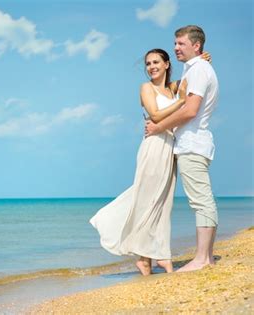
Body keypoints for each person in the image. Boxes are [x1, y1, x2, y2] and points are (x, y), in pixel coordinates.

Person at [89, 48, 187, 276]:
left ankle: (147, 258)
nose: (151, 66)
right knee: (146, 200)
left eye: (156, 62)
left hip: (169, 148)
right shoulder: (146, 88)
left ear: (166, 64)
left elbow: (192, 77)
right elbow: (155, 115)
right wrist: (181, 102)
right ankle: (159, 257)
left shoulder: (172, 88)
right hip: (153, 147)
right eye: (148, 63)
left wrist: (200, 58)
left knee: (163, 204)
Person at [145, 25, 219, 272]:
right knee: (202, 200)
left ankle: (202, 259)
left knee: (201, 201)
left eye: (180, 44)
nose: (175, 48)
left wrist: (158, 128)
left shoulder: (198, 70)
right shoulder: (195, 69)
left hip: (192, 144)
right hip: (189, 144)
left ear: (196, 46)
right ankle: (205, 256)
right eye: (175, 44)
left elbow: (190, 110)